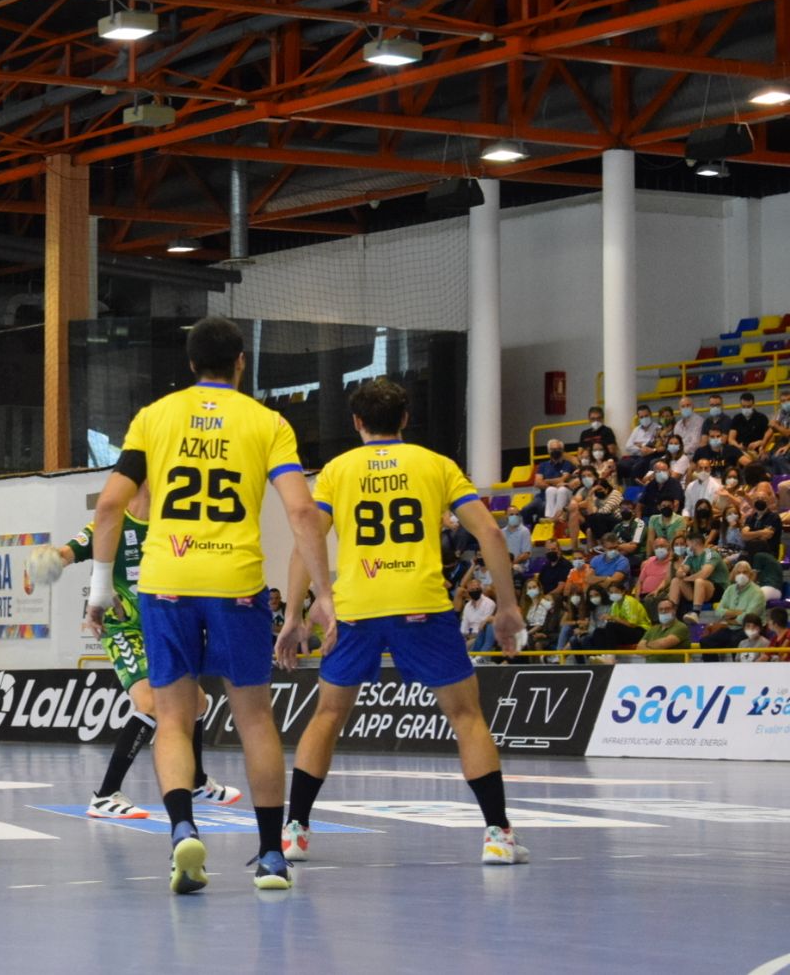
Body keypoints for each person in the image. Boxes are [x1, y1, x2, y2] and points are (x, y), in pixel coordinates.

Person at [88, 317, 334, 894]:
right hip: (236, 584)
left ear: (191, 363)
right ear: (241, 362)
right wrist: (321, 596)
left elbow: (109, 506)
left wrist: (100, 589)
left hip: (166, 581)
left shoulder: (154, 417)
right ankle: (271, 856)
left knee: (173, 718)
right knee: (255, 719)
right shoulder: (268, 422)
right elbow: (302, 512)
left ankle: (182, 831)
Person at [280, 377, 527, 867]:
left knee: (327, 716)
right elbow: (492, 534)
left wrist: (293, 613)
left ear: (357, 422)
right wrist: (507, 606)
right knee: (467, 717)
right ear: (405, 419)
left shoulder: (337, 470)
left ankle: (295, 831)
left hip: (357, 608)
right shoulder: (436, 464)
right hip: (422, 605)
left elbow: (307, 541)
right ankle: (498, 836)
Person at [30, 486, 242, 819]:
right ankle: (105, 795)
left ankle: (197, 781)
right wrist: (48, 558)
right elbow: (68, 552)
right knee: (149, 703)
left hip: (159, 627)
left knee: (198, 703)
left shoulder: (170, 523)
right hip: (122, 628)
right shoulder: (112, 523)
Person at [521, 440, 575, 525]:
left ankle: (547, 525)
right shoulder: (543, 465)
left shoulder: (567, 464)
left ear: (562, 450)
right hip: (542, 496)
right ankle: (531, 530)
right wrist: (553, 485)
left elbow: (562, 479)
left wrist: (546, 481)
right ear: (548, 451)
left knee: (543, 508)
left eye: (558, 449)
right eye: (553, 449)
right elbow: (537, 483)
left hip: (559, 495)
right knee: (525, 510)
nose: (555, 451)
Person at [668, 533, 723, 612]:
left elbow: (704, 574)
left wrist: (686, 578)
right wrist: (681, 573)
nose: (686, 547)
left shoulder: (711, 554)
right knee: (676, 580)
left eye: (687, 544)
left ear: (694, 543)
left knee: (699, 581)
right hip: (700, 589)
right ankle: (671, 612)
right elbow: (680, 571)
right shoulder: (690, 557)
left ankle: (696, 612)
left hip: (718, 589)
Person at [618, 405, 660, 482]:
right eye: (641, 417)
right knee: (621, 464)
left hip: (650, 457)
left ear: (650, 415)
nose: (644, 419)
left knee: (637, 467)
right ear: (638, 418)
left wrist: (640, 445)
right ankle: (622, 486)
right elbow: (628, 446)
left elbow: (653, 446)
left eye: (646, 416)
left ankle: (637, 486)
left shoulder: (657, 428)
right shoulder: (636, 430)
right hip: (636, 456)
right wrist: (642, 448)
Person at [460, 578, 498, 654]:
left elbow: (484, 625)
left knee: (463, 648)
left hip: (480, 635)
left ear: (481, 589)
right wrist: (463, 637)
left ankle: (476, 658)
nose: (474, 591)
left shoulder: (489, 603)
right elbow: (464, 624)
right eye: (472, 589)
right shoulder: (467, 606)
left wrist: (471, 636)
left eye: (477, 588)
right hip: (468, 636)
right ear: (468, 591)